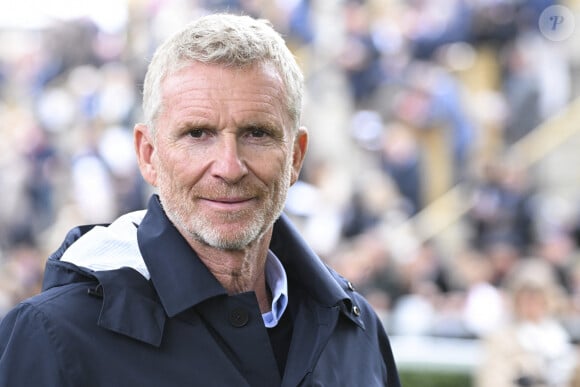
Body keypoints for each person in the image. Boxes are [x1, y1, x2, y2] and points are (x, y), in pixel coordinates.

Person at [0, 13, 401, 387]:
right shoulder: (55, 336)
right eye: (197, 134)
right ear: (148, 155)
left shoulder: (356, 330)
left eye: (257, 133)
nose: (229, 166)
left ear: (295, 156)